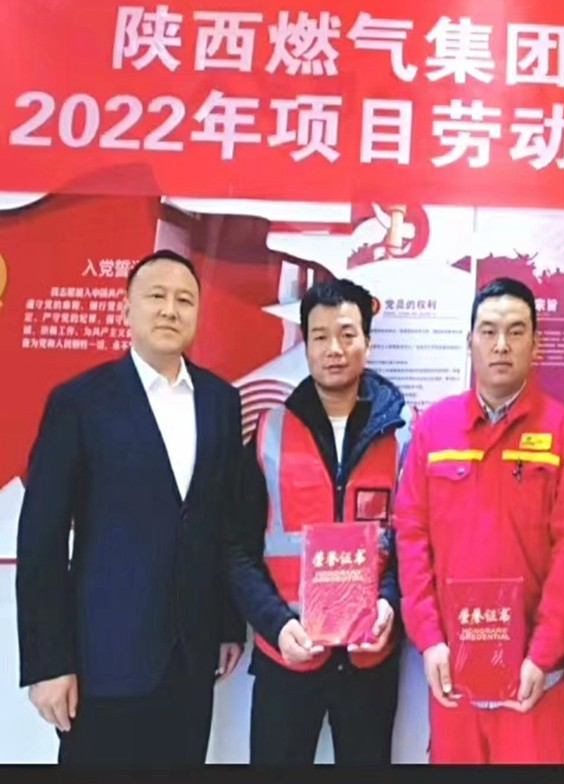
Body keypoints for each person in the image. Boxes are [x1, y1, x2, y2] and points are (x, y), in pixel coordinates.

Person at [16, 249, 245, 765]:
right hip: (103, 660)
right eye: (156, 296)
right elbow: (41, 539)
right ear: (126, 309)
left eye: (184, 300)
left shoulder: (220, 402)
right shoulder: (80, 401)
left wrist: (228, 624)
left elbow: (223, 524)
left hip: (191, 660)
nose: (170, 309)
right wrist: (48, 662)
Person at [395, 277, 564, 764]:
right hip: (454, 675)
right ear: (469, 341)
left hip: (534, 681)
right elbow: (411, 538)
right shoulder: (434, 429)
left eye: (516, 331)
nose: (501, 344)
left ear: (536, 343)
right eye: (488, 331)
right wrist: (430, 641)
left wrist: (544, 653)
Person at [226, 278, 409, 764]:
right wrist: (276, 625)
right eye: (320, 336)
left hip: (369, 661)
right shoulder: (268, 430)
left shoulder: (401, 437)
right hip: (287, 653)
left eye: (348, 334)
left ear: (368, 342)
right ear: (304, 345)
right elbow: (237, 549)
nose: (334, 349)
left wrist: (389, 605)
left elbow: (412, 546)